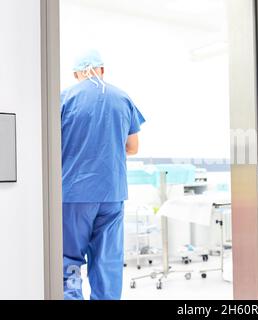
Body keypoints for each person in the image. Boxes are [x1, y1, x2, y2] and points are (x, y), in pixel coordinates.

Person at [60, 50, 146, 300]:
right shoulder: (123, 98)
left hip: (73, 195)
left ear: (76, 74)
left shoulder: (64, 98)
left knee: (69, 259)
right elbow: (132, 147)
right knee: (107, 260)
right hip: (112, 194)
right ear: (102, 70)